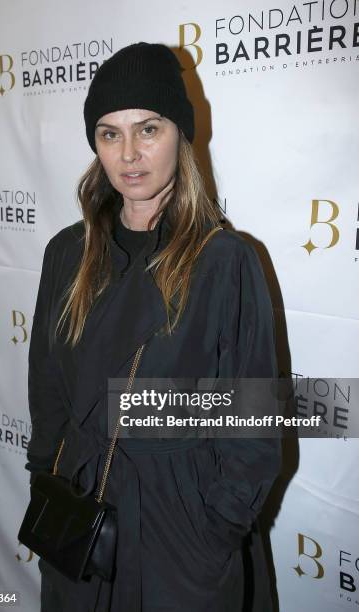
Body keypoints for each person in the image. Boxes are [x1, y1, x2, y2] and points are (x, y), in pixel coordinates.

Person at [25, 41, 282, 612]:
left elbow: (256, 416)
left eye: (149, 128)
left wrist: (216, 525)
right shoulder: (66, 253)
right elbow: (47, 388)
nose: (130, 154)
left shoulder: (224, 261)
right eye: (110, 133)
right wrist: (46, 477)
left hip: (179, 526)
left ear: (180, 135)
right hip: (80, 513)